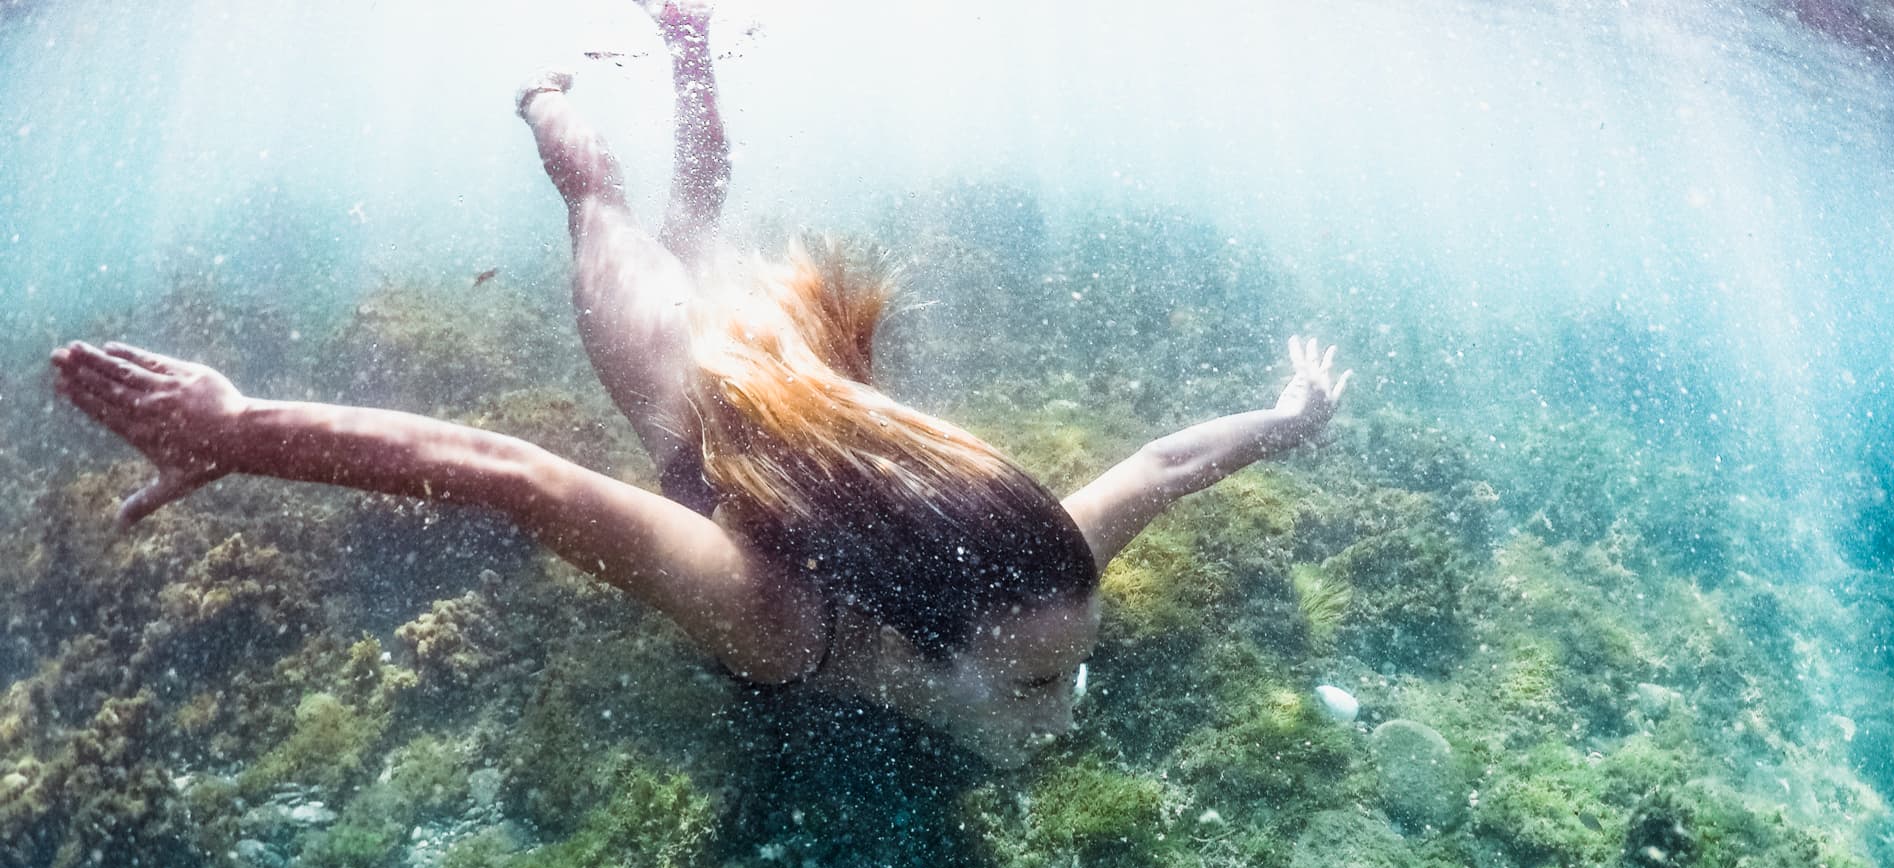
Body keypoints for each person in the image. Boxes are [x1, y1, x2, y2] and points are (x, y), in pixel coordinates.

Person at [48, 3, 1351, 769]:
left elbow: (1166, 468)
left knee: (704, 220)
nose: (1066, 716)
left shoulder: (1037, 569)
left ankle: (686, 39)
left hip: (805, 392)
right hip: (692, 388)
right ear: (915, 637)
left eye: (1061, 677)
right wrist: (243, 428)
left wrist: (1291, 421)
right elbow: (517, 477)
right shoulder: (773, 620)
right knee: (604, 203)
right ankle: (543, 90)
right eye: (1029, 687)